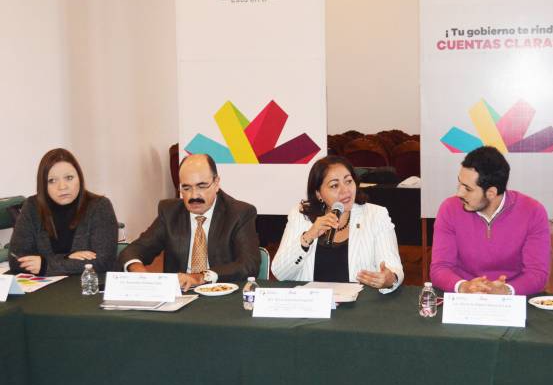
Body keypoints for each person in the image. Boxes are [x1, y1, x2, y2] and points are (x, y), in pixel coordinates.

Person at [118, 153, 260, 290]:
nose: (194, 195)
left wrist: (202, 277)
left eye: (201, 186)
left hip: (221, 293)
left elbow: (249, 264)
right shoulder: (170, 213)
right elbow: (135, 249)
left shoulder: (239, 213)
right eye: (186, 188)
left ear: (216, 183)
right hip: (180, 294)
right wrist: (139, 273)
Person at [272, 155, 404, 293]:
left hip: (360, 303)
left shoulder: (376, 215)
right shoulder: (301, 216)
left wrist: (389, 279)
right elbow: (280, 273)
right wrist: (308, 237)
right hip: (313, 302)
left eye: (348, 181)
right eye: (334, 185)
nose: (345, 190)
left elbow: (394, 269)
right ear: (318, 194)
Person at [430, 146, 550, 295]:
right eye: (460, 183)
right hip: (463, 297)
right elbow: (440, 268)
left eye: (467, 188)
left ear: (491, 193)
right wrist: (464, 286)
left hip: (513, 298)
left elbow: (537, 274)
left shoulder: (533, 211)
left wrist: (505, 290)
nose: (459, 193)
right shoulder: (449, 208)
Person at [9, 148, 118, 276]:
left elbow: (103, 262)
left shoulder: (99, 206)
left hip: (86, 285)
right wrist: (67, 257)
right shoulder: (32, 206)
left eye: (69, 178)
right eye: (52, 181)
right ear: (43, 185)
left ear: (80, 178)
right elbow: (16, 258)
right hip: (45, 287)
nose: (62, 187)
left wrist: (45, 265)